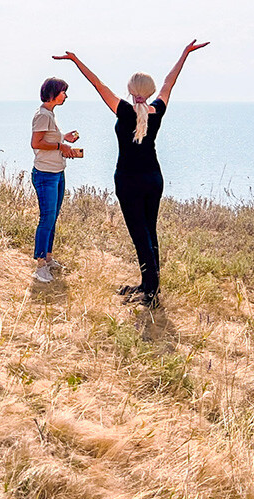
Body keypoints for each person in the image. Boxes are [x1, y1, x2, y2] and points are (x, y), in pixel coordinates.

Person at [53, 41, 209, 308]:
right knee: (149, 231)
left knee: (140, 235)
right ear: (148, 91)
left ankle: (150, 292)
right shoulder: (156, 110)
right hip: (153, 178)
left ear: (130, 90)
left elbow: (98, 85)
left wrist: (76, 60)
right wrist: (184, 54)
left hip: (128, 180)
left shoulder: (123, 110)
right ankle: (150, 285)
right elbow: (169, 84)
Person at [30, 77, 81, 284]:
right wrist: (62, 147)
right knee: (47, 218)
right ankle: (40, 265)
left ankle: (48, 258)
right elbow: (36, 142)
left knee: (53, 217)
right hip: (46, 174)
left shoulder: (50, 114)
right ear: (53, 93)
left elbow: (48, 138)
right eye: (63, 92)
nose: (66, 96)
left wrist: (63, 138)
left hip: (57, 172)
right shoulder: (42, 115)